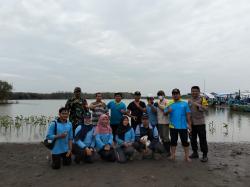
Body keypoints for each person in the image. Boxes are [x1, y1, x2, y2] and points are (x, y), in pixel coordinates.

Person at [164, 88, 192, 162]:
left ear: (179, 94)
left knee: (185, 142)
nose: (175, 95)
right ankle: (173, 155)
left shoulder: (184, 103)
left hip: (183, 126)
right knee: (173, 141)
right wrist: (168, 111)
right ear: (172, 95)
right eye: (174, 94)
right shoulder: (169, 103)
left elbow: (188, 115)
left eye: (177, 94)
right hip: (173, 126)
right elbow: (164, 113)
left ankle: (187, 156)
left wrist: (189, 125)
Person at [188, 86, 209, 162]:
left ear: (199, 92)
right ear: (191, 92)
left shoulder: (203, 99)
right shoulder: (189, 100)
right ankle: (195, 153)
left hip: (200, 123)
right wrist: (188, 123)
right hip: (192, 123)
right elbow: (188, 112)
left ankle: (204, 155)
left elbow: (206, 109)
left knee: (202, 139)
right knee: (192, 139)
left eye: (196, 91)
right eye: (193, 91)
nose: (194, 92)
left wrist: (198, 105)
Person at [155, 90, 171, 156]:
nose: (160, 96)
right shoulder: (158, 101)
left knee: (166, 137)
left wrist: (158, 105)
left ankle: (168, 151)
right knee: (161, 136)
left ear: (164, 95)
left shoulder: (167, 101)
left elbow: (166, 110)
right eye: (159, 95)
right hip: (159, 122)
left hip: (165, 122)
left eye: (161, 94)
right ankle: (164, 150)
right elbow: (156, 112)